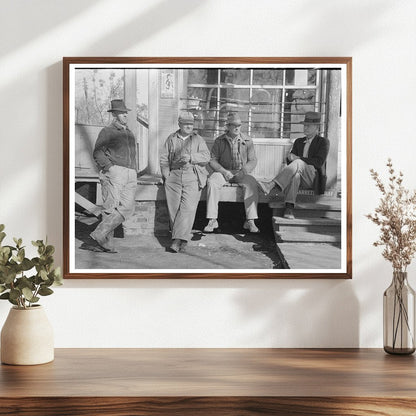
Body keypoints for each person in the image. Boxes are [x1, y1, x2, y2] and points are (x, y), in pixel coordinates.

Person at [258, 111, 330, 219]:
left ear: (317, 128)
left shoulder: (323, 142)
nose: (305, 128)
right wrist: (289, 158)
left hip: (312, 178)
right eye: (304, 125)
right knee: (295, 176)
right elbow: (291, 166)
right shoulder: (298, 142)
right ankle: (289, 208)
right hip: (299, 176)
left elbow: (318, 163)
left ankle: (272, 185)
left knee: (299, 162)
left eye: (308, 126)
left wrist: (298, 159)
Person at [88, 99, 138, 252]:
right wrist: (110, 168)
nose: (124, 115)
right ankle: (105, 244)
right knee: (110, 207)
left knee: (128, 207)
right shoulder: (107, 131)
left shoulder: (129, 132)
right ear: (114, 114)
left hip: (130, 173)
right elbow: (98, 152)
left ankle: (99, 233)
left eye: (125, 113)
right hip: (115, 172)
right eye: (121, 113)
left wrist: (134, 170)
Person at [160, 111, 210, 253]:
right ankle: (182, 240)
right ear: (179, 124)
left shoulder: (198, 139)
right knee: (174, 209)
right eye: (186, 124)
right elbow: (164, 158)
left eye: (191, 124)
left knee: (187, 208)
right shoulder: (171, 138)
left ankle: (176, 240)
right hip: (173, 176)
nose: (189, 126)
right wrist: (166, 175)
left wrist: (191, 157)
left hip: (192, 175)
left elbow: (206, 157)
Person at [204, 113, 259, 233]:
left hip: (241, 172)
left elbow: (253, 160)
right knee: (212, 181)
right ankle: (212, 219)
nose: (237, 128)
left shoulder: (247, 140)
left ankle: (250, 221)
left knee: (252, 183)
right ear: (227, 126)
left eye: (239, 125)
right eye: (234, 125)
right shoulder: (220, 140)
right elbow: (212, 160)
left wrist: (243, 171)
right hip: (224, 172)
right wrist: (224, 171)